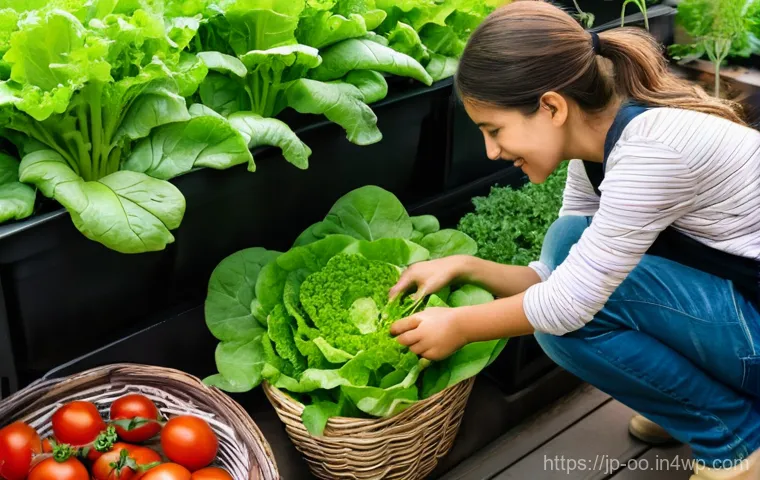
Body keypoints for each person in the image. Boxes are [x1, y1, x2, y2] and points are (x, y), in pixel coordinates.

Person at [388, 1, 760, 479]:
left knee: (560, 327)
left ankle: (733, 437)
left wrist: (459, 325)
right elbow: (556, 274)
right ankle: (693, 402)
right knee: (567, 239)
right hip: (738, 313)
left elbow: (568, 304)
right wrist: (465, 266)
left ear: (551, 106)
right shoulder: (598, 145)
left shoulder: (652, 154)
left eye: (494, 129)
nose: (492, 150)